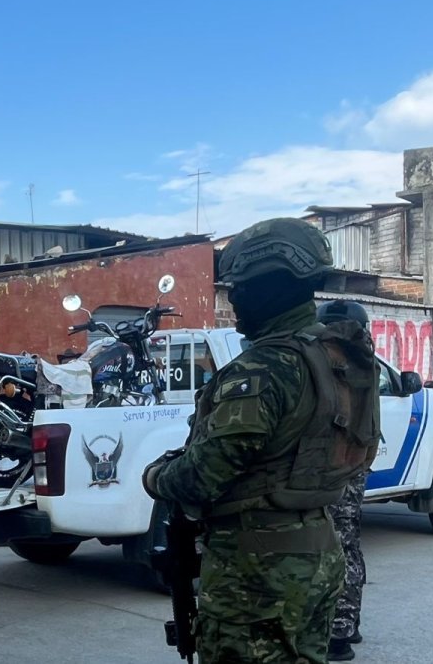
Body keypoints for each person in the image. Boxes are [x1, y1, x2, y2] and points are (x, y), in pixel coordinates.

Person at [143, 218, 380, 663]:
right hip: (319, 553)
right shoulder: (336, 356)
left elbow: (203, 476)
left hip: (258, 572)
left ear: (274, 287)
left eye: (243, 288)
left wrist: (157, 475)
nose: (234, 300)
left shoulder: (264, 369)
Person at [317, 299, 380, 662]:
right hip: (356, 463)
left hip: (324, 465)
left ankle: (335, 635)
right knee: (349, 543)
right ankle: (348, 625)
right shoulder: (365, 361)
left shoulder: (318, 358)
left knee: (326, 546)